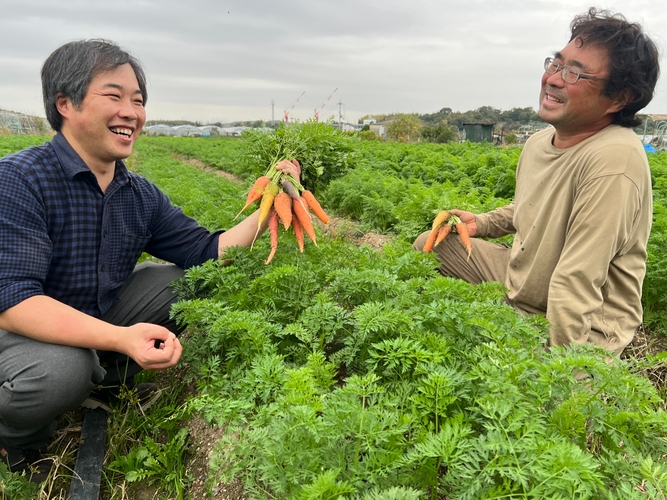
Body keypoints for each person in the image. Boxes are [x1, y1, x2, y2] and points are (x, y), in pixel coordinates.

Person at [0, 39, 298, 482]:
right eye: (114, 96)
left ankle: (100, 380)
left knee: (190, 280)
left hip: (94, 318)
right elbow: (15, 302)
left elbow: (207, 251)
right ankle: (17, 437)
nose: (131, 113)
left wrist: (272, 204)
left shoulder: (138, 193)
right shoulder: (20, 179)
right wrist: (121, 337)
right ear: (66, 103)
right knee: (64, 369)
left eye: (137, 101)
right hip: (19, 333)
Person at [415, 8, 659, 357]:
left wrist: (559, 375)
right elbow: (529, 207)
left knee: (532, 387)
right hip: (523, 284)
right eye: (556, 64)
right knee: (432, 245)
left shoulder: (614, 159)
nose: (555, 79)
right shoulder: (538, 142)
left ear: (619, 98)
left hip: (583, 321)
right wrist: (481, 223)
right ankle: (508, 319)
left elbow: (576, 281)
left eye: (576, 74)